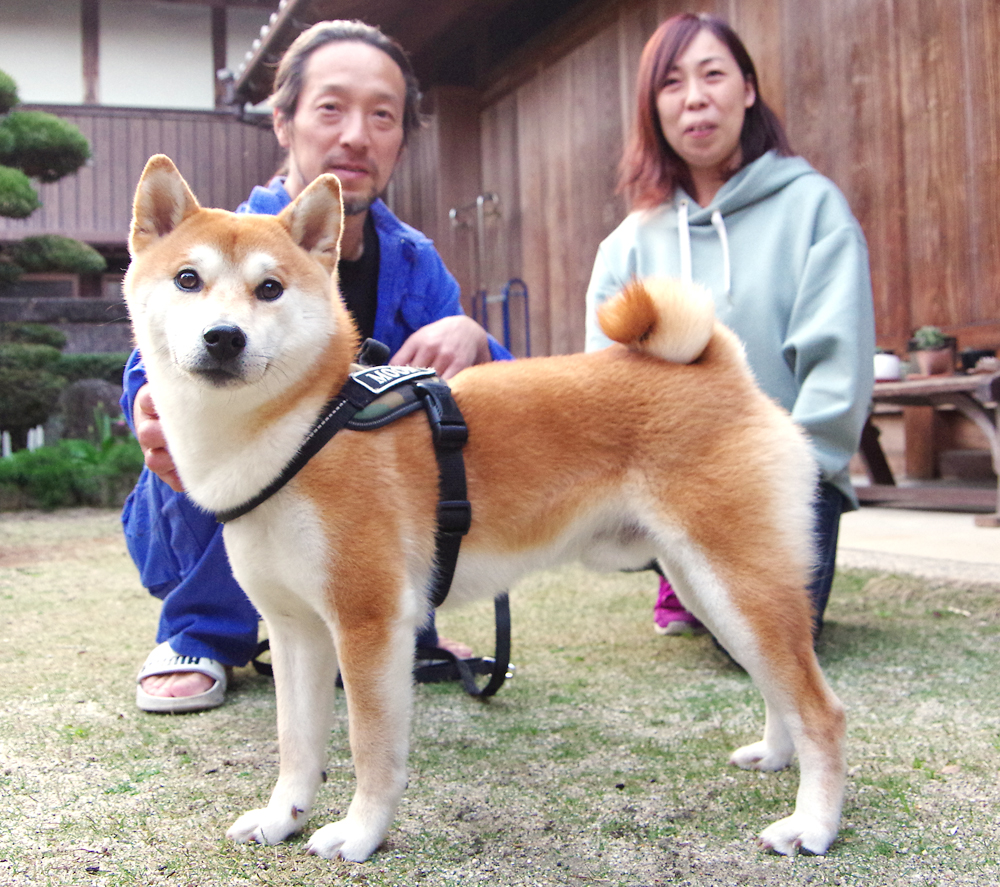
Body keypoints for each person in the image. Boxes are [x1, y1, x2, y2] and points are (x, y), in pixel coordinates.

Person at [122, 19, 510, 713]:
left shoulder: (416, 263)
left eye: (382, 115)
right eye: (331, 107)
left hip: (349, 537)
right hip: (199, 508)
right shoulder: (217, 240)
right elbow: (147, 359)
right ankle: (200, 631)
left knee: (386, 436)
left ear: (400, 136)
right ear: (284, 120)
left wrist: (475, 338)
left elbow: (484, 409)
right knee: (250, 430)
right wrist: (145, 405)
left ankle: (385, 615)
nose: (356, 134)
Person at [585, 13, 874, 639]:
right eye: (672, 83)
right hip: (675, 487)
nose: (695, 97)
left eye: (713, 74)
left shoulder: (814, 207)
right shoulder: (626, 245)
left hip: (789, 479)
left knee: (758, 641)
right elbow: (601, 385)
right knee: (727, 625)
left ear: (747, 88)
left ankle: (692, 582)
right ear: (652, 108)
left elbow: (838, 365)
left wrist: (782, 471)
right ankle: (675, 568)